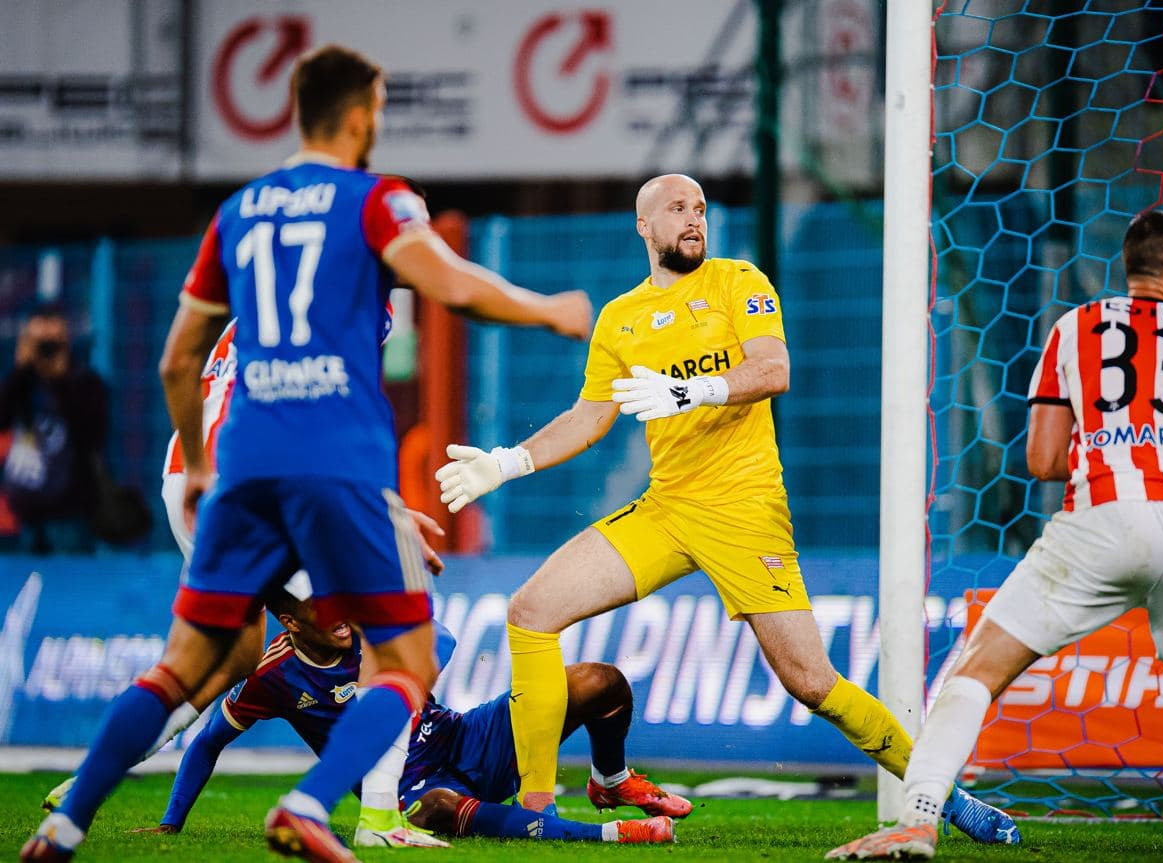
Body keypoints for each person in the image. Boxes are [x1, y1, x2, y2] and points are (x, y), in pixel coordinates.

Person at [23, 43, 591, 863]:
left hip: (230, 467)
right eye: (379, 109)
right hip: (325, 469)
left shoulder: (241, 211)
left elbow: (176, 360)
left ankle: (66, 821)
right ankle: (336, 807)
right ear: (361, 116)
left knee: (192, 664)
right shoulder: (376, 203)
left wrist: (202, 468)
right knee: (408, 654)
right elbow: (454, 285)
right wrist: (549, 310)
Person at [434, 173, 1017, 845]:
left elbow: (773, 369)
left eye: (701, 209)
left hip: (744, 511)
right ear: (644, 226)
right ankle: (537, 809)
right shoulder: (620, 317)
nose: (694, 218)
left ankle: (948, 797)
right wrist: (506, 462)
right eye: (677, 208)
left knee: (810, 680)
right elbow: (589, 417)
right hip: (666, 509)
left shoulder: (739, 281)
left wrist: (693, 391)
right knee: (531, 611)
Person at [829, 208, 1163, 860]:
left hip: (1102, 521)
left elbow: (1042, 459)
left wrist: (1113, 451)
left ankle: (919, 818)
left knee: (974, 670)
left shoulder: (1075, 328)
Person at [40, 305, 448, 849]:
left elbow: (176, 363)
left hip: (188, 478)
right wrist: (382, 508)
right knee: (394, 630)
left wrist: (196, 465)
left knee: (219, 660)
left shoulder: (253, 284)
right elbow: (330, 419)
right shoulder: (355, 298)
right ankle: (376, 817)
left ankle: (82, 793)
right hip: (262, 484)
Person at [140, 590, 682, 845]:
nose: (337, 613)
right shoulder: (273, 675)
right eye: (318, 608)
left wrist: (400, 683)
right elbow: (208, 742)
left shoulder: (368, 623)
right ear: (291, 621)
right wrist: (171, 823)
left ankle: (610, 779)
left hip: (463, 736)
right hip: (408, 788)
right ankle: (611, 835)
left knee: (600, 682)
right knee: (438, 806)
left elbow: (441, 638)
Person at [0, 304, 109, 553]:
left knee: (70, 573)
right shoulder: (22, 382)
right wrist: (21, 370)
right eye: (40, 342)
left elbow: (91, 436)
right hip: (23, 513)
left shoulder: (87, 383)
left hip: (70, 512)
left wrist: (60, 378)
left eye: (53, 342)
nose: (46, 349)